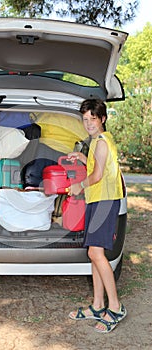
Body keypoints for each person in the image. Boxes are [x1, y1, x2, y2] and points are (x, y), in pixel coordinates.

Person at [67, 99, 127, 333]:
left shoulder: (101, 142)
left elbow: (98, 175)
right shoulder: (98, 142)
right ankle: (98, 305)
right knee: (94, 253)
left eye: (93, 118)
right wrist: (82, 158)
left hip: (104, 200)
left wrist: (79, 186)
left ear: (102, 119)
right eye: (85, 119)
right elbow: (96, 164)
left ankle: (115, 307)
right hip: (98, 199)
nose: (89, 123)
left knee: (95, 252)